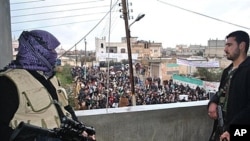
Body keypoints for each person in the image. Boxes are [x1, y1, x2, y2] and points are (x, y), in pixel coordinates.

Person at [0, 30, 95, 141]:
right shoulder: (8, 83)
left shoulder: (51, 78)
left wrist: (80, 130)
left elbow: (65, 108)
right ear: (36, 51)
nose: (54, 53)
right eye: (50, 49)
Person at [207, 30, 250, 141]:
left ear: (242, 46)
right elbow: (221, 92)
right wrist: (213, 102)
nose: (225, 49)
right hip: (221, 129)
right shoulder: (227, 71)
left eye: (229, 45)